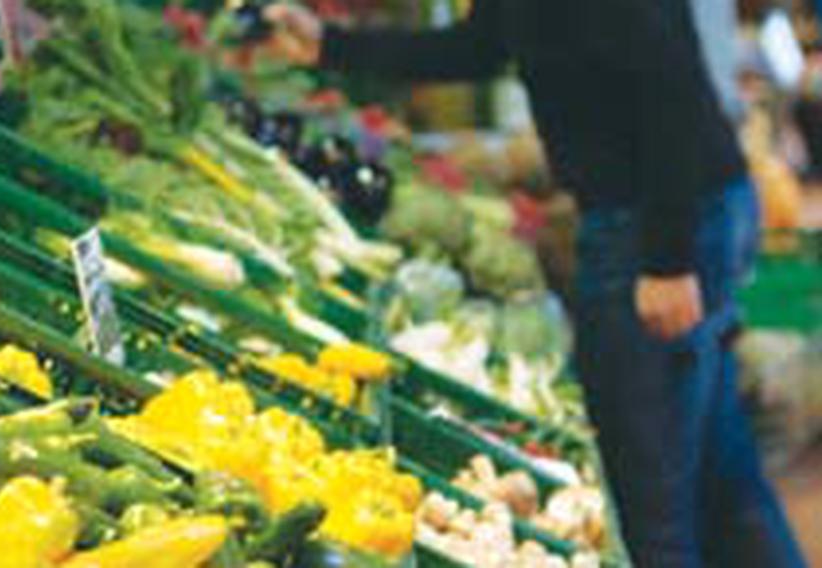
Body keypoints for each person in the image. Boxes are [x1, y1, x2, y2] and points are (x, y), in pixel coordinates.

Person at [261, 1, 807, 566]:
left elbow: (672, 82)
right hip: (674, 205)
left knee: (649, 496)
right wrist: (330, 44)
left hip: (649, 219)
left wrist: (668, 260)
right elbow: (483, 43)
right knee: (719, 471)